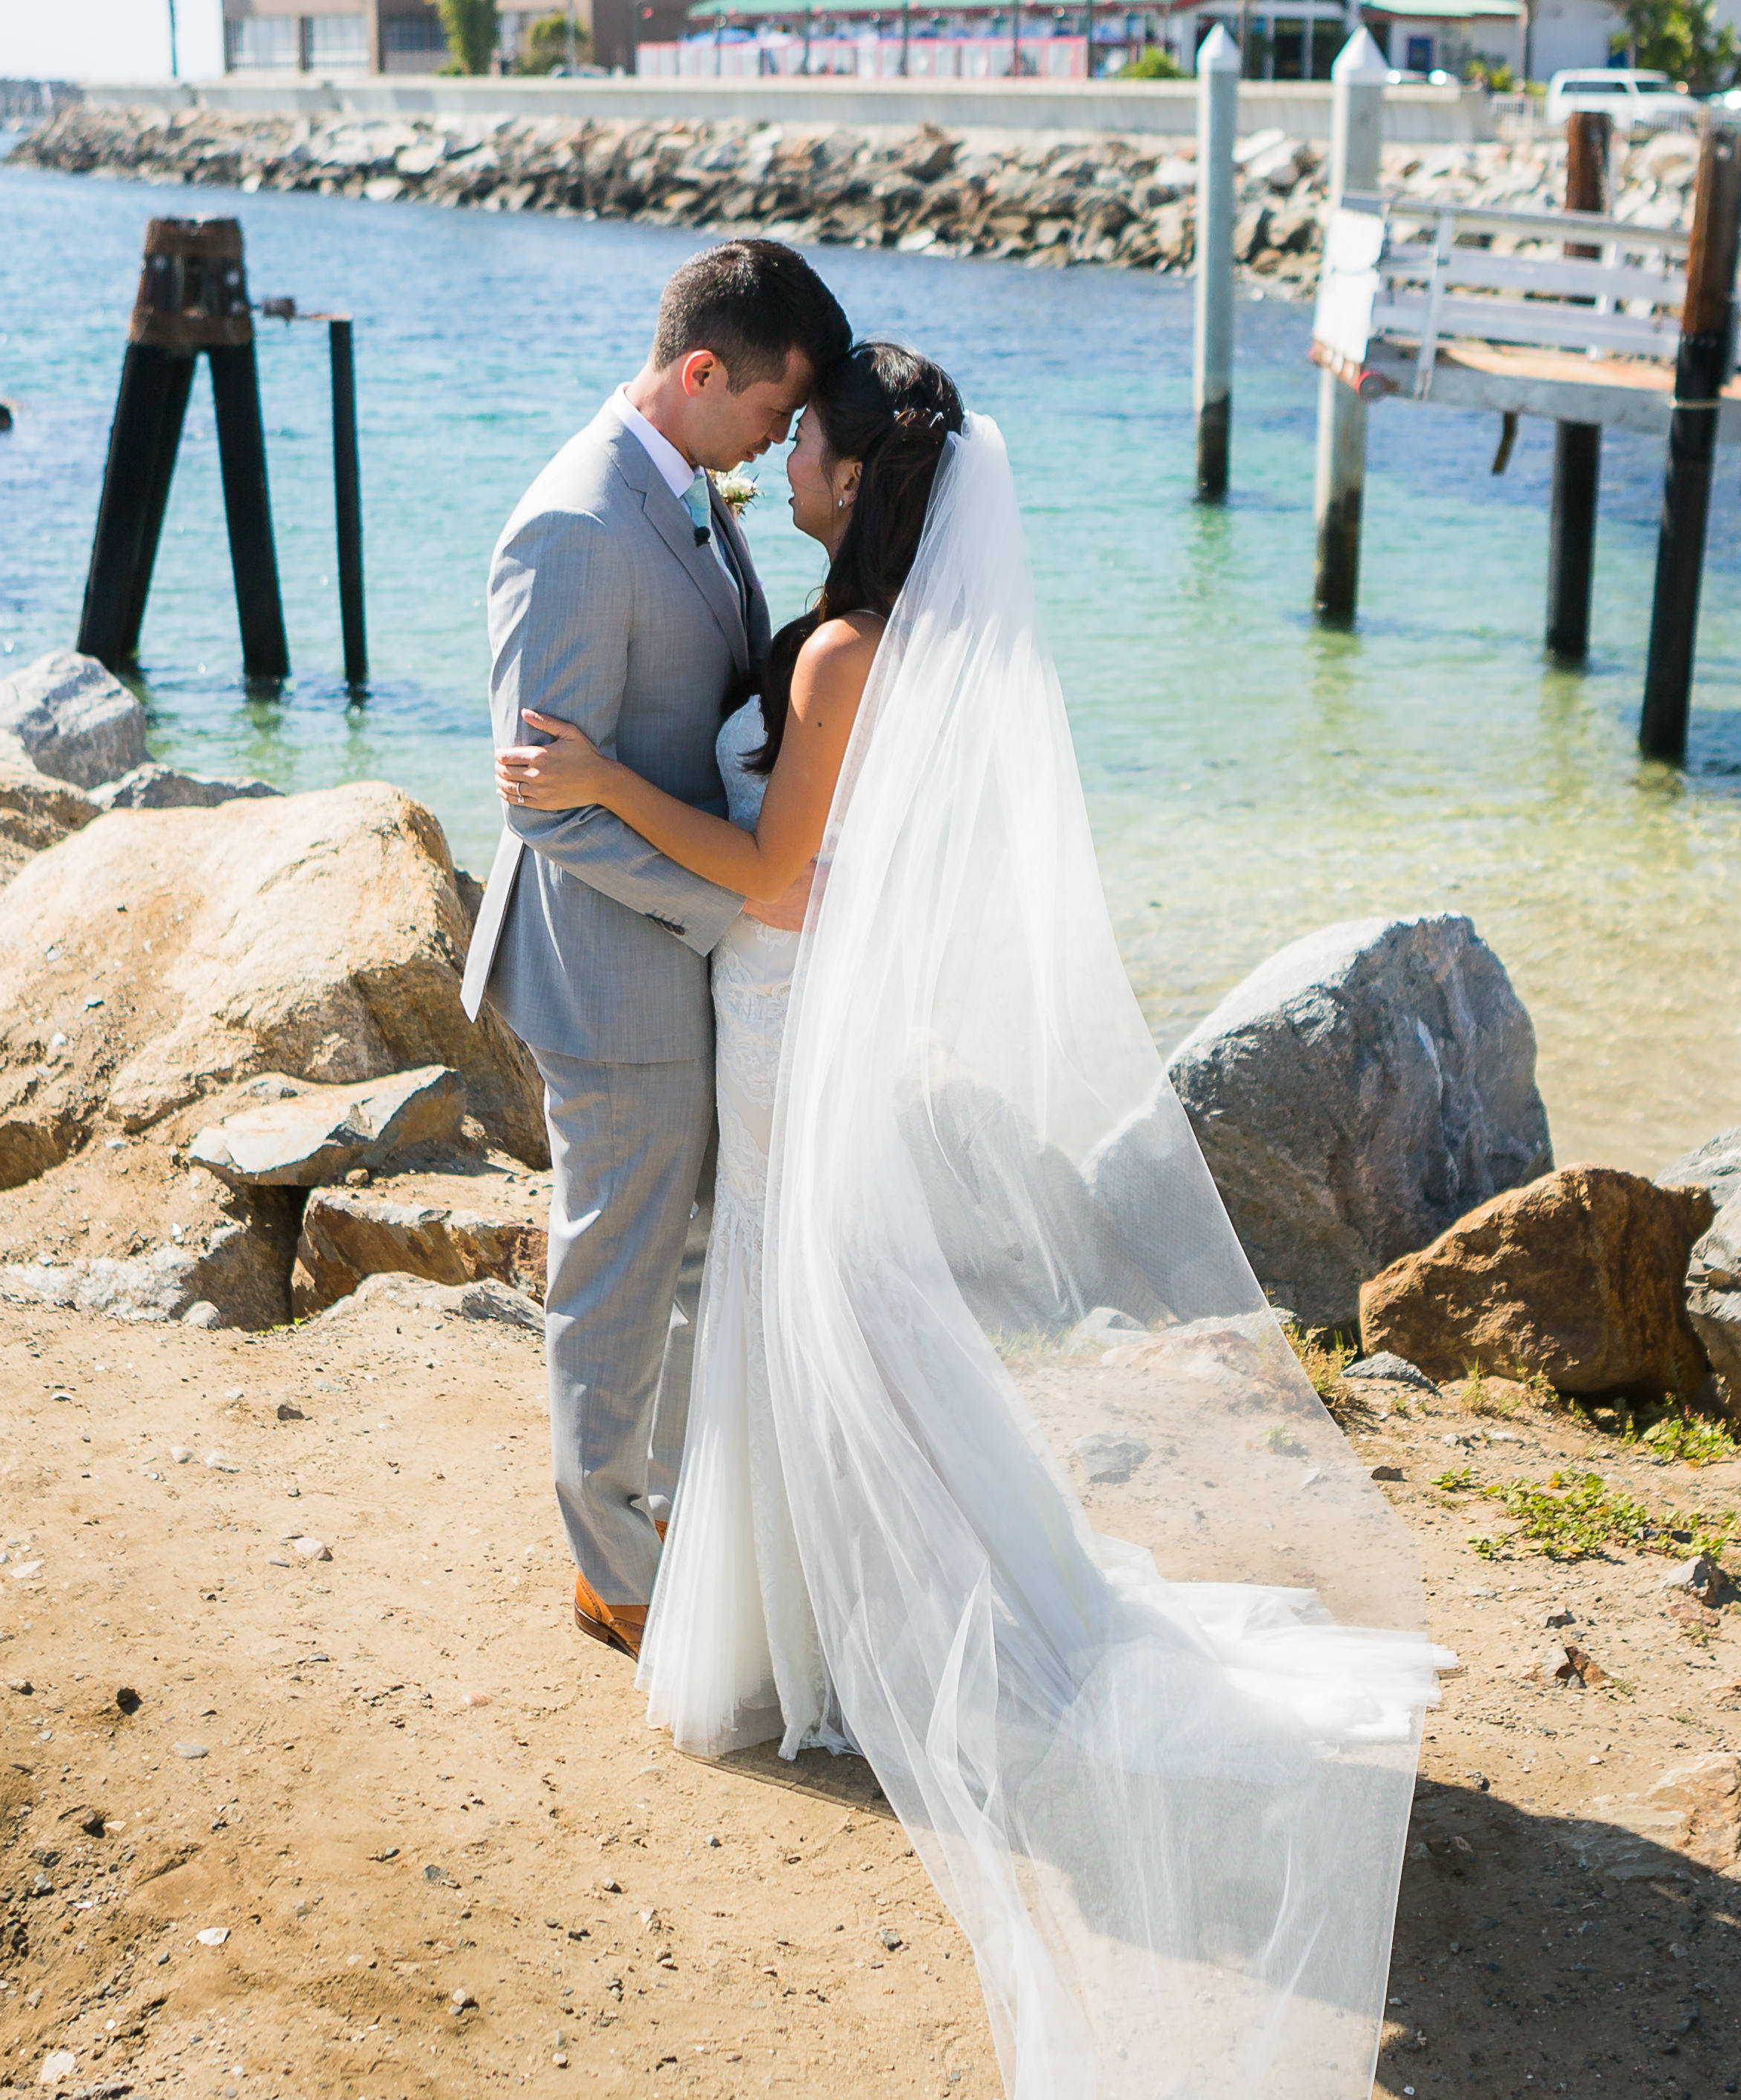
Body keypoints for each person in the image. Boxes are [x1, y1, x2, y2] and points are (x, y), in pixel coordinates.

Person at [496, 345, 1451, 2097]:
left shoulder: (854, 649)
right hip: (786, 1003)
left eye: (803, 442)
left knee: (824, 1311)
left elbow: (780, 874)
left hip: (780, 1003)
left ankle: (900, 1633)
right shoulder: (873, 636)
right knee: (828, 1314)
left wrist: (595, 785)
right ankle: (863, 1618)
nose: (782, 460)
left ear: (859, 479)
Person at [459, 238, 853, 1661]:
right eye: (770, 416)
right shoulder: (574, 525)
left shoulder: (673, 484)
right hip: (609, 966)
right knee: (618, 1267)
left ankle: (652, 1508)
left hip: (679, 938)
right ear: (701, 374)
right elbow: (548, 810)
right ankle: (612, 1568)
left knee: (677, 1261)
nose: (781, 441)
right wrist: (740, 902)